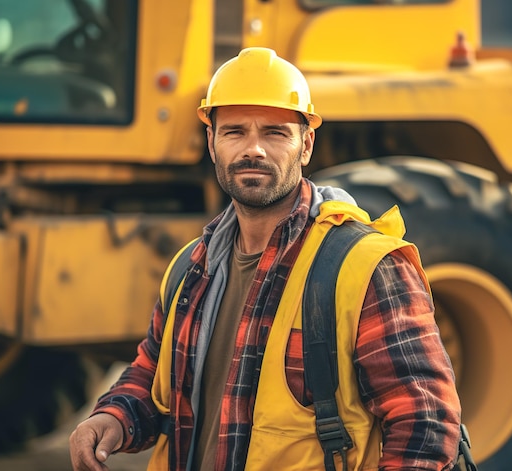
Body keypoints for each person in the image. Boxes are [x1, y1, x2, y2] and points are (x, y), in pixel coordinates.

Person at [69, 47, 462, 471]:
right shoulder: (190, 267)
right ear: (211, 142)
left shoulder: (366, 267)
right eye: (234, 131)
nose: (253, 149)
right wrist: (113, 416)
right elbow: (155, 372)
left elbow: (424, 424)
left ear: (306, 144)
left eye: (275, 133)